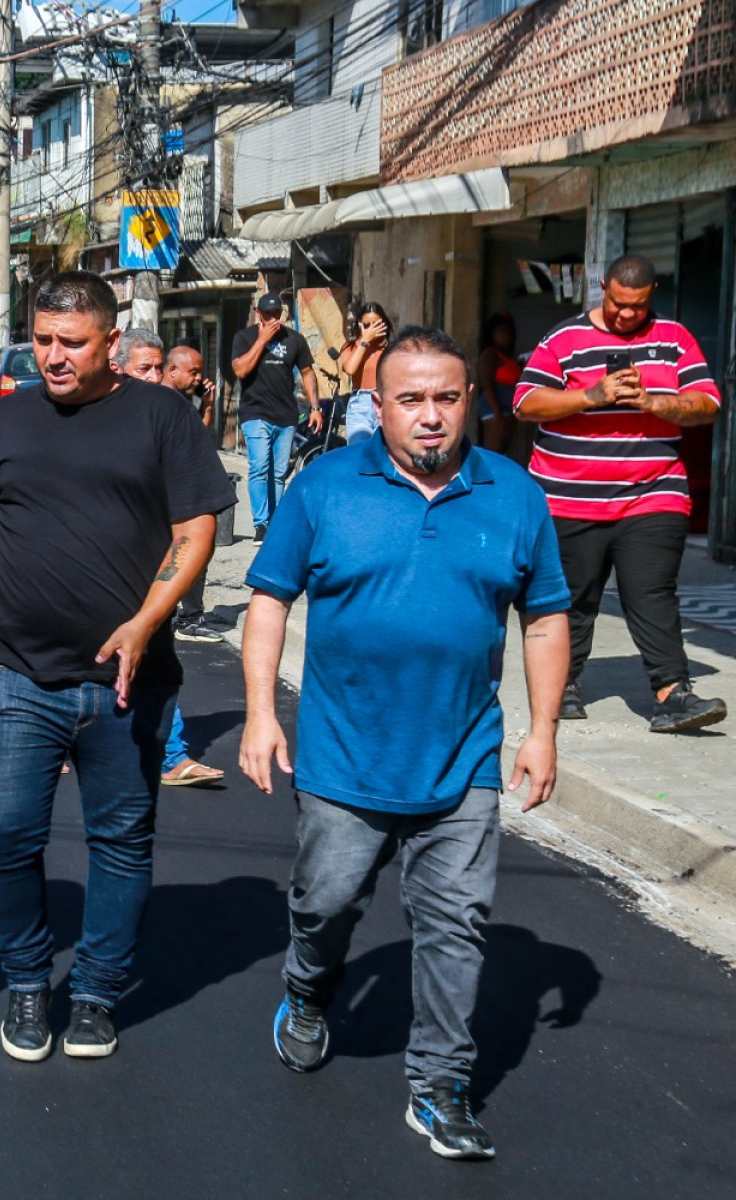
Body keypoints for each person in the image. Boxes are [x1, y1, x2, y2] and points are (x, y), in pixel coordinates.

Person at [240, 325, 571, 1162]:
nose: (431, 416)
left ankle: (440, 1085)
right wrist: (259, 713)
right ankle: (308, 992)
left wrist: (542, 731)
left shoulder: (514, 493)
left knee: (455, 921)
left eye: (447, 398)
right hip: (345, 758)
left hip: (464, 757)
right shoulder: (324, 486)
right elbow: (271, 602)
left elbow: (544, 617)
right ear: (377, 405)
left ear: (471, 402)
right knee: (327, 904)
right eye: (411, 399)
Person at [0, 272, 235, 1064]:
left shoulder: (162, 415)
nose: (53, 356)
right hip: (12, 668)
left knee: (120, 837)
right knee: (5, 835)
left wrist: (147, 619)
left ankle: (99, 991)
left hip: (126, 680)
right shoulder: (3, 418)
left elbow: (195, 527)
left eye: (71, 343)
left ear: (111, 341)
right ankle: (29, 982)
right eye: (42, 340)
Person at [513, 254, 725, 732]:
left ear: (653, 296)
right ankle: (563, 683)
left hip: (652, 493)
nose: (627, 315)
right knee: (575, 596)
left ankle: (673, 695)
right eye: (618, 303)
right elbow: (525, 403)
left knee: (651, 594)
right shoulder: (564, 338)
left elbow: (708, 403)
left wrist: (653, 401)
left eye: (638, 306)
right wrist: (592, 396)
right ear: (602, 287)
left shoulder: (674, 338)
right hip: (569, 498)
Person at [113, 330, 225, 786]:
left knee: (151, 650)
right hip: (95, 564)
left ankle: (170, 754)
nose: (155, 377)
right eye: (145, 368)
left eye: (159, 368)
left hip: (152, 562)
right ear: (117, 367)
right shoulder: (95, 416)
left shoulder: (169, 412)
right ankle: (57, 735)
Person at [230, 292, 321, 540]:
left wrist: (315, 407)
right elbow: (240, 370)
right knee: (260, 466)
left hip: (285, 415)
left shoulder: (295, 340)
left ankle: (274, 521)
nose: (272, 319)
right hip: (255, 412)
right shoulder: (245, 337)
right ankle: (261, 524)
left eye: (276, 314)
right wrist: (262, 340)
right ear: (258, 313)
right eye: (267, 314)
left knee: (278, 473)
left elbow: (307, 372)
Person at [337, 302, 393, 445]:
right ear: (360, 325)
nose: (371, 330)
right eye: (367, 325)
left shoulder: (391, 349)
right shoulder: (351, 347)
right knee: (359, 452)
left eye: (375, 325)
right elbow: (350, 369)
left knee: (384, 454)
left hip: (385, 403)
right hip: (360, 406)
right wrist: (364, 341)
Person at [474, 312, 523, 454]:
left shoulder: (511, 357)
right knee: (494, 449)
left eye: (509, 332)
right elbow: (487, 384)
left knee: (503, 448)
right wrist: (497, 412)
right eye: (501, 332)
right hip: (495, 408)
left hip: (507, 409)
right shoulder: (490, 355)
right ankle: (486, 476)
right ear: (492, 334)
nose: (506, 336)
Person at [165, 340, 215, 432]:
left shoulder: (182, 398)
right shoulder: (166, 401)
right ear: (173, 370)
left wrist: (207, 406)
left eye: (200, 372)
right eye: (194, 372)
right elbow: (197, 436)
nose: (199, 378)